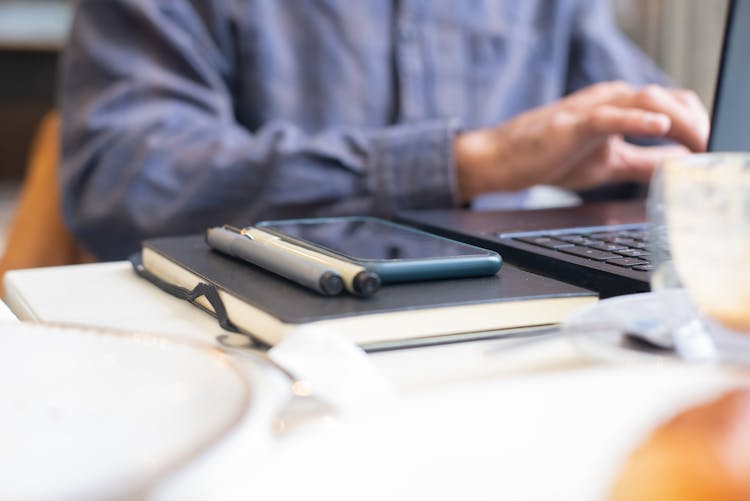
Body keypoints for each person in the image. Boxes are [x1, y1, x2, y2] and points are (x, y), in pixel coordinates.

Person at [58, 0, 709, 260]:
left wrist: (715, 168)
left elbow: (660, 130)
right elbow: (123, 178)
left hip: (500, 338)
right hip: (238, 353)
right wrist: (468, 163)